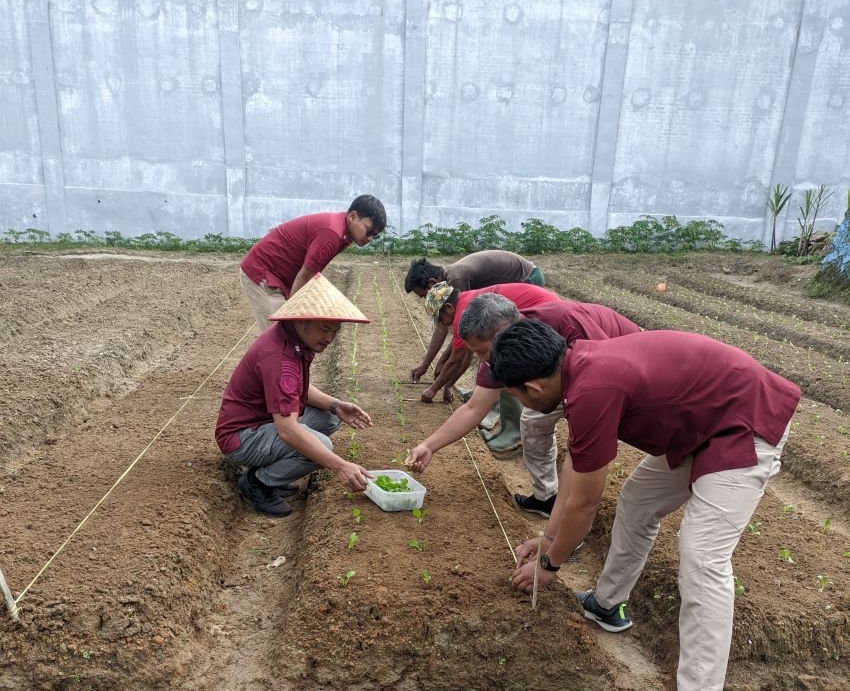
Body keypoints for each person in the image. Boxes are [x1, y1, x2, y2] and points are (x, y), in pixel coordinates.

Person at [489, 320, 801, 691]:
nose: (522, 403)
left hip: (744, 422)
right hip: (702, 422)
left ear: (534, 385)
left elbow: (588, 501)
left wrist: (551, 565)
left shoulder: (592, 387)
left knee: (702, 556)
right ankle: (607, 604)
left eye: (517, 396)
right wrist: (547, 538)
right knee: (637, 500)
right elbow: (577, 471)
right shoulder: (580, 368)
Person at [406, 291, 639, 517]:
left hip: (619, 371)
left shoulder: (567, 322)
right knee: (533, 420)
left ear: (502, 334)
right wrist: (429, 446)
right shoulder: (501, 352)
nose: (482, 360)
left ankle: (570, 520)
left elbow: (605, 370)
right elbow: (474, 408)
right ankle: (546, 498)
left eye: (483, 352)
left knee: (581, 446)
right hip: (563, 378)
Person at [216, 273, 374, 517]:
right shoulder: (280, 358)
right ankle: (258, 482)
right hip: (242, 437)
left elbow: (295, 389)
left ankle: (275, 471)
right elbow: (287, 430)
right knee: (322, 446)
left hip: (263, 424)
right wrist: (339, 466)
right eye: (324, 329)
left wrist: (336, 405)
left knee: (329, 417)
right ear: (302, 321)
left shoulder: (294, 338)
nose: (330, 338)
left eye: (335, 330)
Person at [404, 252, 545, 396]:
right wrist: (428, 366)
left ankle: (492, 400)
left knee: (502, 349)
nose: (424, 299)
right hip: (509, 294)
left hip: (528, 278)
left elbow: (465, 340)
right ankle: (483, 395)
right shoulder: (450, 294)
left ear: (432, 284)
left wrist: (437, 381)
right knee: (486, 346)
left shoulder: (457, 280)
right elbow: (450, 332)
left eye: (423, 296)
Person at [240, 195, 386, 331]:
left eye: (375, 235)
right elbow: (305, 276)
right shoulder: (332, 233)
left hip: (280, 277)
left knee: (286, 335)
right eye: (369, 231)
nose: (370, 238)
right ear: (352, 217)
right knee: (280, 335)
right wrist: (294, 316)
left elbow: (311, 275)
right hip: (264, 273)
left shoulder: (342, 232)